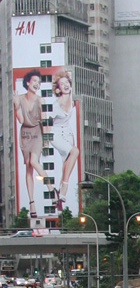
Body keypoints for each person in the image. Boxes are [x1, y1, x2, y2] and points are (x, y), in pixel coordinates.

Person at [13, 69, 44, 221]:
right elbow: (20, 119)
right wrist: (16, 105)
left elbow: (44, 120)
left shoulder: (40, 100)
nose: (37, 84)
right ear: (27, 82)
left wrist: (47, 138)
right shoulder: (19, 98)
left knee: (33, 161)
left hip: (37, 132)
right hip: (25, 134)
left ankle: (51, 186)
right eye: (34, 81)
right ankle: (32, 203)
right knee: (28, 168)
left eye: (39, 82)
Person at [50, 69, 80, 209]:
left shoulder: (72, 100)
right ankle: (64, 190)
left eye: (67, 82)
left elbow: (71, 73)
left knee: (66, 165)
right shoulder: (56, 104)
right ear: (58, 89)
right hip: (55, 134)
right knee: (75, 152)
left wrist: (71, 138)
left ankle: (58, 193)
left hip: (67, 133)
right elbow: (47, 123)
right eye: (62, 84)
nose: (66, 85)